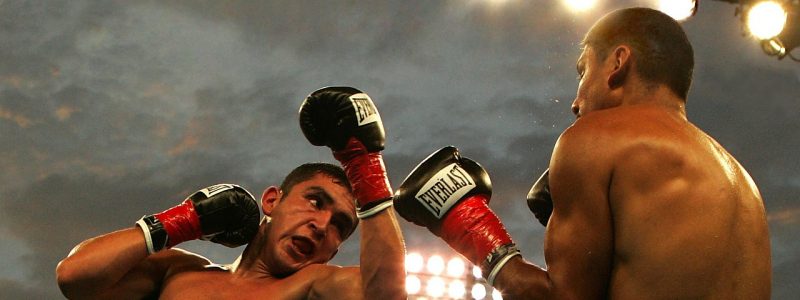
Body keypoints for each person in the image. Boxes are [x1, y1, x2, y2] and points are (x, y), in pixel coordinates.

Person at [392, 7, 771, 299]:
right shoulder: (740, 180)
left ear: (618, 63)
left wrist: (470, 226)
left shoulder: (595, 138)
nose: (575, 102)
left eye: (582, 70)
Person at [56, 87, 406, 299]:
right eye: (315, 201)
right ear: (272, 201)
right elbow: (75, 277)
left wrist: (365, 168)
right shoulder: (181, 273)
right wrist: (184, 221)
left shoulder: (315, 287)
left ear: (334, 251)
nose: (321, 225)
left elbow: (385, 297)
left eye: (339, 226)